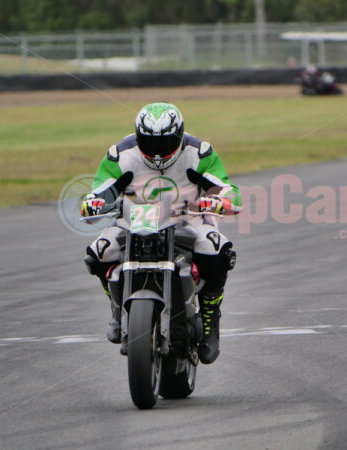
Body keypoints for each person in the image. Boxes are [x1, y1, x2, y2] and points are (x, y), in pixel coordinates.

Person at [81, 102, 242, 364]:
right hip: (133, 221)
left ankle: (211, 318)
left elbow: (226, 187)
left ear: (179, 135)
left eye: (166, 143)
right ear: (138, 135)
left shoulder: (199, 152)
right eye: (150, 142)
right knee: (98, 252)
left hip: (187, 220)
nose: (158, 151)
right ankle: (116, 308)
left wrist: (220, 200)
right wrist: (95, 202)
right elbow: (100, 189)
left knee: (216, 249)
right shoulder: (120, 154)